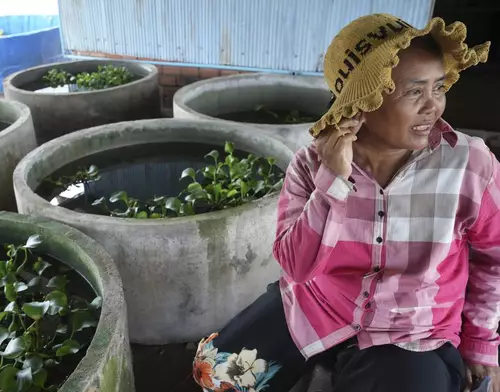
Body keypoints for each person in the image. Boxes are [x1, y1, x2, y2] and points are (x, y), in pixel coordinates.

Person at [192, 13, 494, 392]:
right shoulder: (311, 163)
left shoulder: (471, 165)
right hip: (316, 306)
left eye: (438, 88)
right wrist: (333, 181)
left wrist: (480, 343)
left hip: (410, 327)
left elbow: (493, 258)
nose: (433, 106)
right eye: (414, 92)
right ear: (363, 101)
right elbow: (296, 267)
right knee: (215, 373)